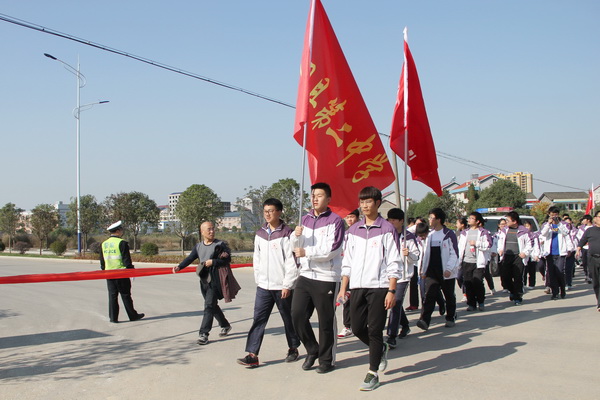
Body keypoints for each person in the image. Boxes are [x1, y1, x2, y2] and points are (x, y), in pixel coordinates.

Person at [337, 186, 402, 391]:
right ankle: (380, 348)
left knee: (374, 329)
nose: (364, 205)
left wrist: (391, 290)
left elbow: (394, 262)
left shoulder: (387, 229)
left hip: (380, 287)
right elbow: (347, 261)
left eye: (368, 202)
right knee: (356, 328)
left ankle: (372, 373)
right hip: (357, 286)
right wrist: (343, 288)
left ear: (378, 203)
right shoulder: (353, 230)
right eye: (362, 202)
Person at [237, 199, 300, 368]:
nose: (268, 214)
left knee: (288, 318)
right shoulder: (260, 233)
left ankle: (293, 348)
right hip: (264, 286)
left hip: (282, 286)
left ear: (279, 212)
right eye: (265, 211)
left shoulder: (288, 234)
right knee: (258, 319)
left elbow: (291, 262)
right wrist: (259, 279)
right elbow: (256, 258)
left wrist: (287, 285)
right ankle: (252, 354)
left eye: (271, 210)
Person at [291, 182, 344, 374]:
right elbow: (295, 249)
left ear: (328, 199)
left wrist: (307, 251)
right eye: (313, 195)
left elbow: (332, 249)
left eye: (319, 195)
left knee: (325, 321)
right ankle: (312, 349)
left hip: (326, 276)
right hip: (305, 275)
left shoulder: (336, 221)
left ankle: (326, 359)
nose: (314, 199)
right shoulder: (303, 220)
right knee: (296, 314)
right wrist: (295, 237)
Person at [173, 221, 239, 345]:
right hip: (204, 279)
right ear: (202, 232)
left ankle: (203, 334)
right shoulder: (198, 246)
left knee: (208, 305)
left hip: (215, 279)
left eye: (213, 229)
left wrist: (213, 262)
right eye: (209, 229)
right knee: (211, 305)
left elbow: (227, 259)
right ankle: (225, 325)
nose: (212, 231)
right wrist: (179, 267)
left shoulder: (220, 245)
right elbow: (190, 258)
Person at [416, 208, 459, 331]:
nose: (429, 220)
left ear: (439, 220)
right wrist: (423, 270)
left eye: (431, 218)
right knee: (429, 295)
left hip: (445, 271)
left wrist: (450, 268)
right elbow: (425, 254)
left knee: (449, 295)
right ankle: (425, 320)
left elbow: (454, 253)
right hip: (431, 270)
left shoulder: (449, 234)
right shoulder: (429, 235)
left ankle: (450, 317)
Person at [385, 208, 419, 348]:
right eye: (389, 220)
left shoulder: (409, 237)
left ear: (400, 221)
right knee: (395, 303)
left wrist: (409, 254)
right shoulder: (387, 235)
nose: (391, 222)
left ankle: (391, 335)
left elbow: (416, 257)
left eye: (394, 220)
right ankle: (405, 324)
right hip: (387, 275)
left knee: (396, 302)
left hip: (403, 276)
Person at [100, 221, 145, 323]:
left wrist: (104, 271)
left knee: (112, 296)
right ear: (118, 231)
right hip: (121, 273)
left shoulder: (104, 244)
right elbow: (126, 260)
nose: (122, 232)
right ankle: (132, 315)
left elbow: (102, 261)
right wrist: (131, 271)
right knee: (125, 295)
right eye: (121, 230)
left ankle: (113, 318)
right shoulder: (122, 243)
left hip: (109, 273)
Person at [456, 212, 492, 311]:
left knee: (478, 282)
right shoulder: (464, 233)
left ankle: (480, 301)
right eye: (469, 218)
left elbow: (488, 245)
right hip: (466, 261)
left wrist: (476, 243)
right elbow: (460, 247)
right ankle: (471, 304)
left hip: (478, 262)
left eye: (472, 218)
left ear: (477, 221)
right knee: (468, 283)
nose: (469, 219)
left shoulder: (484, 232)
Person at [497, 212, 532, 305]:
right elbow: (500, 241)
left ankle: (517, 297)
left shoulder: (523, 231)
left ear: (514, 221)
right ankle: (512, 291)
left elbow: (530, 243)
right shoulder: (504, 230)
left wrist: (525, 252)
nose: (506, 222)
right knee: (505, 277)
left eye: (508, 220)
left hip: (518, 256)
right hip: (507, 256)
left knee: (517, 277)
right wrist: (500, 249)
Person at [539, 206, 574, 300]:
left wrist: (558, 224)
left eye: (556, 214)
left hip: (560, 253)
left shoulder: (563, 224)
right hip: (549, 253)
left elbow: (566, 233)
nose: (554, 216)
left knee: (560, 272)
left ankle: (562, 289)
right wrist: (548, 224)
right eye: (552, 215)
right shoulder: (546, 225)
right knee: (552, 273)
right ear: (549, 215)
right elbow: (543, 234)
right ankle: (555, 292)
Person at [338, 208, 360, 339]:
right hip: (346, 271)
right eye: (347, 217)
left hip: (360, 272)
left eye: (352, 217)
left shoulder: (361, 233)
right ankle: (347, 326)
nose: (350, 220)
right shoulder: (344, 234)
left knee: (360, 299)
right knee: (345, 298)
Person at [576, 211, 600, 311]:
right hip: (593, 258)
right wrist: (578, 249)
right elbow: (582, 240)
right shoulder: (590, 231)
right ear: (595, 219)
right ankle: (599, 300)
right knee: (596, 282)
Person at [523, 220, 541, 290]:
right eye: (525, 226)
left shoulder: (534, 235)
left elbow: (537, 246)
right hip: (525, 255)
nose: (527, 228)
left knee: (532, 270)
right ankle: (523, 283)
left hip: (532, 255)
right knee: (524, 270)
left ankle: (532, 284)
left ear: (531, 226)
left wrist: (536, 255)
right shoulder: (522, 235)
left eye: (528, 226)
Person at [576, 215, 593, 284]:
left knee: (591, 262)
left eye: (584, 219)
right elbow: (579, 236)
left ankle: (590, 276)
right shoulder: (582, 228)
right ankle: (586, 274)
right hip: (584, 248)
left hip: (591, 248)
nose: (582, 221)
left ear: (588, 220)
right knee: (585, 262)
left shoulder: (594, 227)